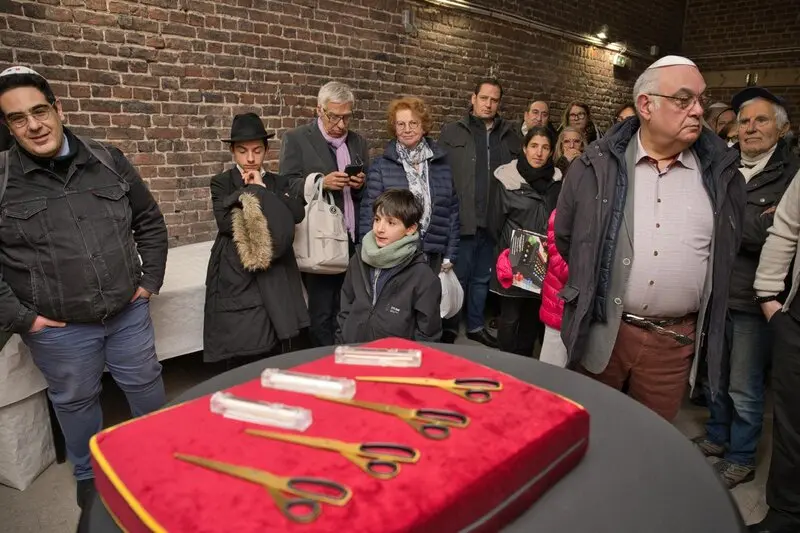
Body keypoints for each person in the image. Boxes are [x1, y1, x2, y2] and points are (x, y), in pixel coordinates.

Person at [0, 66, 168, 507]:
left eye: (40, 110)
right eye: (18, 118)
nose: (33, 125)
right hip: (59, 329)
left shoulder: (107, 159)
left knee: (146, 385)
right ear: (9, 126)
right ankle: (88, 475)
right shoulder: (2, 180)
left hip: (127, 312)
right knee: (75, 403)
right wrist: (23, 318)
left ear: (58, 108)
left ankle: (155, 459)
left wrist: (149, 281)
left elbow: (149, 221)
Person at [554, 55, 746, 421]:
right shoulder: (594, 167)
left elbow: (726, 253)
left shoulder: (721, 175)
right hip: (603, 332)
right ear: (646, 105)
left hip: (672, 343)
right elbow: (569, 238)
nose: (697, 111)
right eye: (684, 99)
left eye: (700, 100)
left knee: (652, 445)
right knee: (593, 433)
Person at [692, 87, 799, 489]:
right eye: (745, 120)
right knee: (714, 374)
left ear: (782, 127)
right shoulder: (724, 165)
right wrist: (751, 221)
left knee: (745, 384)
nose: (751, 127)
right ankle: (718, 437)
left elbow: (773, 235)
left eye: (762, 120)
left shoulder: (791, 175)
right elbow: (704, 221)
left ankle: (741, 457)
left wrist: (734, 224)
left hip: (754, 297)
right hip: (715, 290)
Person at [204, 113, 308, 364]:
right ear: (232, 152)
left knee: (277, 341)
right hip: (235, 269)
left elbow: (295, 214)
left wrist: (260, 189)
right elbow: (226, 222)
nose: (250, 158)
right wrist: (254, 193)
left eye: (257, 151)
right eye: (242, 151)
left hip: (277, 268)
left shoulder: (278, 181)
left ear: (266, 150)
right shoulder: (221, 182)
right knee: (244, 341)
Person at [278, 81, 369, 347]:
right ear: (319, 109)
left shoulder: (358, 142)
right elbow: (285, 186)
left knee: (350, 305)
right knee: (321, 311)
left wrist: (361, 185)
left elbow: (369, 190)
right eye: (334, 116)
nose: (341, 124)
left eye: (347, 117)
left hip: (353, 239)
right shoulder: (296, 139)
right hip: (321, 240)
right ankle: (322, 363)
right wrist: (320, 182)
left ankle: (345, 355)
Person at [439, 78, 519, 347]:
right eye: (484, 98)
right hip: (462, 218)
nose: (488, 104)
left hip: (494, 219)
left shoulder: (509, 134)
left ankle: (474, 325)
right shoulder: (452, 132)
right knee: (456, 275)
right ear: (472, 98)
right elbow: (442, 174)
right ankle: (450, 326)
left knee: (483, 277)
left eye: (494, 100)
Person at [750, 115, 800, 533]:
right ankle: (784, 515)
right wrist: (768, 296)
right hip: (796, 321)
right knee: (790, 423)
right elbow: (785, 229)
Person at [359, 96, 459, 276]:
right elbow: (369, 213)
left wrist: (450, 253)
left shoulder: (441, 164)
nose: (407, 129)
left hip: (432, 254)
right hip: (393, 254)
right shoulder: (381, 166)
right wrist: (370, 254)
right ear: (394, 128)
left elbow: (451, 211)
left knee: (427, 303)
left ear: (423, 126)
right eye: (401, 124)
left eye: (413, 123)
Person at [488, 127, 561, 356]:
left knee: (532, 317)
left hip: (543, 259)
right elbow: (494, 224)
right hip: (514, 258)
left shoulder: (558, 182)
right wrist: (508, 253)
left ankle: (525, 362)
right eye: (534, 146)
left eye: (545, 147)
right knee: (510, 318)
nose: (539, 153)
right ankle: (506, 364)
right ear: (524, 148)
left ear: (551, 152)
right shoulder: (506, 180)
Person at [337, 189, 442, 343]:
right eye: (377, 219)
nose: (380, 229)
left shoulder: (422, 275)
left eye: (391, 222)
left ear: (410, 229)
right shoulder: (358, 259)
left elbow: (428, 334)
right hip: (354, 353)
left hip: (396, 359)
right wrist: (340, 345)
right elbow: (345, 309)